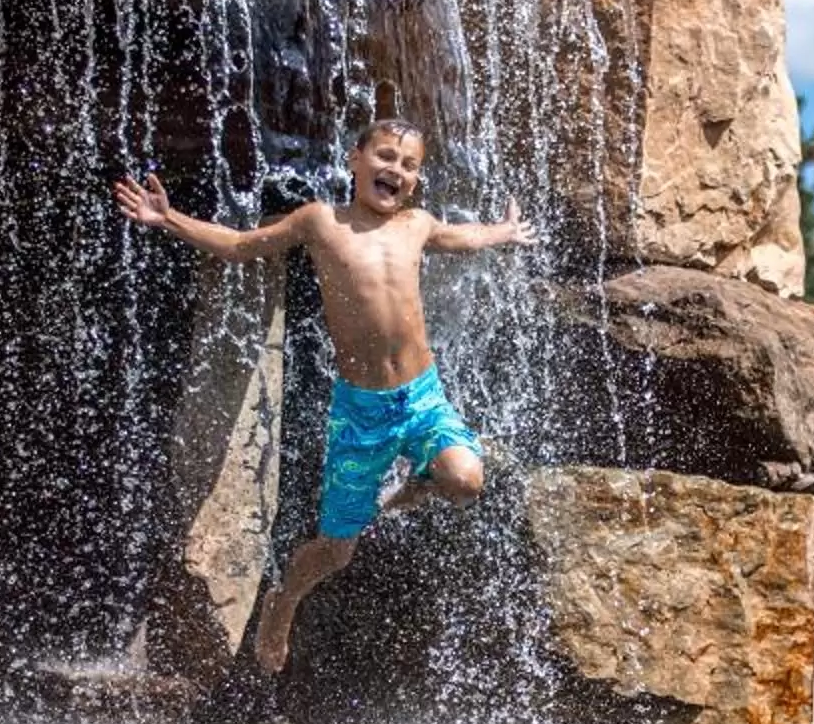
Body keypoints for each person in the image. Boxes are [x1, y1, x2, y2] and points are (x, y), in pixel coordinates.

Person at [112, 120, 531, 672]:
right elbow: (241, 245)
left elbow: (461, 238)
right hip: (361, 413)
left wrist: (501, 232)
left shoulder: (417, 225)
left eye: (408, 166)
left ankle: (414, 482)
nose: (395, 171)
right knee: (335, 550)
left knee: (467, 478)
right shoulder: (320, 222)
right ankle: (283, 601)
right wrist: (168, 218)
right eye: (385, 157)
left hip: (423, 397)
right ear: (354, 159)